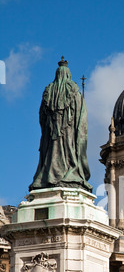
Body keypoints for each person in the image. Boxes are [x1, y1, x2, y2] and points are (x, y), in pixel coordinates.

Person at [29, 57, 92, 192]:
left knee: (51, 153)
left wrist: (49, 127)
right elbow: (82, 118)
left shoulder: (48, 91)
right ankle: (69, 173)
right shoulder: (74, 91)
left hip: (51, 134)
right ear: (68, 75)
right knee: (69, 152)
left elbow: (41, 116)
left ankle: (48, 176)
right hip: (69, 132)